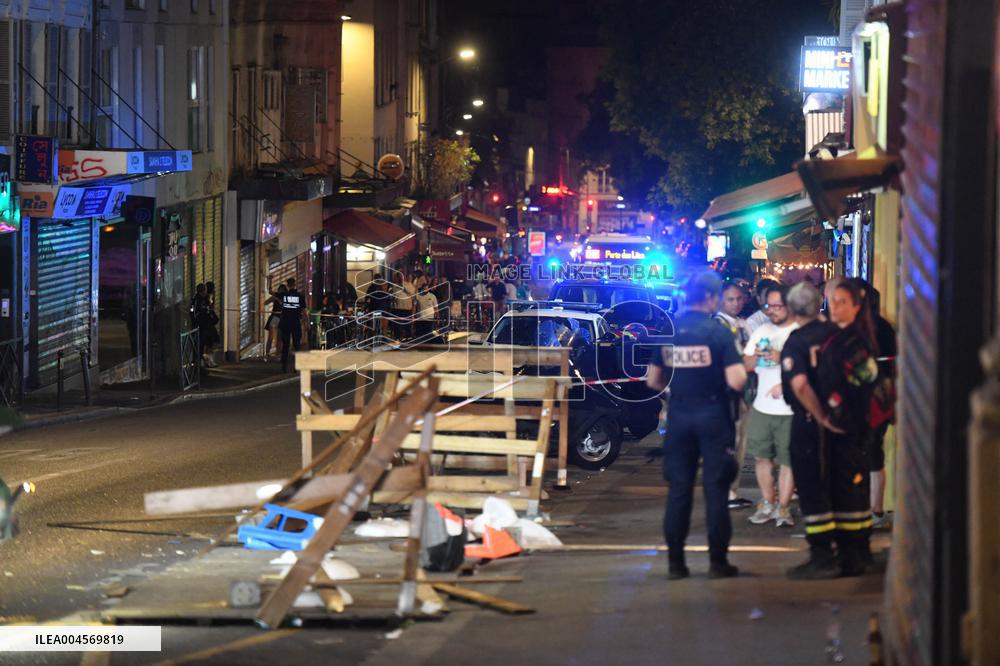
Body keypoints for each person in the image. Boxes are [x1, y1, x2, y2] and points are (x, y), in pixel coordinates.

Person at [647, 271, 748, 580]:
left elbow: (652, 380)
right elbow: (736, 379)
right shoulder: (718, 333)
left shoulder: (671, 331)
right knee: (716, 490)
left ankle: (676, 564)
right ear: (710, 298)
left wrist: (674, 393)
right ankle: (718, 563)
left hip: (680, 418)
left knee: (679, 490)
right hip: (714, 416)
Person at [816, 279, 879, 574]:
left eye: (843, 302)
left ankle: (855, 554)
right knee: (840, 490)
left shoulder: (856, 342)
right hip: (835, 428)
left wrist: (838, 410)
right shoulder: (835, 337)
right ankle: (847, 550)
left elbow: (863, 385)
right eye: (833, 301)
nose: (836, 307)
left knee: (852, 491)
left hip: (851, 428)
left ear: (857, 306)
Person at [743, 284, 798, 527]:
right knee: (761, 457)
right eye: (769, 306)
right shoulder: (762, 329)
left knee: (788, 461)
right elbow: (746, 364)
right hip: (762, 406)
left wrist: (782, 357)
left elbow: (812, 367)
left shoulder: (799, 332)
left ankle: (783, 507)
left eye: (778, 306)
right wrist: (754, 357)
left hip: (791, 409)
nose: (772, 311)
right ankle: (768, 502)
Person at [860, 283, 897, 528]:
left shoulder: (858, 328)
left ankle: (865, 508)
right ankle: (875, 509)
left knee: (864, 453)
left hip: (866, 398)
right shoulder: (886, 326)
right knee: (875, 455)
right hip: (883, 395)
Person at [714, 282, 752, 510]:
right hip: (727, 395)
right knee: (732, 444)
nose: (736, 303)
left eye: (739, 299)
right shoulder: (719, 326)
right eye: (731, 299)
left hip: (737, 394)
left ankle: (730, 491)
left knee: (738, 445)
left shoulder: (737, 324)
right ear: (720, 300)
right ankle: (726, 493)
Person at [278, 278, 305, 373]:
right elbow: (303, 311)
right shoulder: (300, 296)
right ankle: (296, 367)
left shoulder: (284, 295)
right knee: (296, 345)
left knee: (285, 345)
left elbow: (271, 292)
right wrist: (306, 323)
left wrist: (270, 281)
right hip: (295, 323)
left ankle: (284, 366)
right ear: (294, 284)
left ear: (288, 285)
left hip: (286, 322)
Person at [264, 283, 287, 360]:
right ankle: (268, 353)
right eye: (280, 289)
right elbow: (269, 295)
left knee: (279, 337)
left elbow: (266, 301)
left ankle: (277, 354)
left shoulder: (285, 297)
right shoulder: (276, 296)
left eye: (282, 290)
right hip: (276, 317)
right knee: (272, 337)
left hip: (280, 317)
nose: (280, 291)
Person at [392, 273, 416, 340]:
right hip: (398, 308)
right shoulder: (395, 286)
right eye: (399, 277)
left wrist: (403, 285)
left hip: (407, 308)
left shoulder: (411, 286)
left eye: (401, 277)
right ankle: (398, 337)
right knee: (398, 324)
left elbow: (411, 293)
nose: (400, 278)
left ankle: (408, 337)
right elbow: (394, 294)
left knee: (407, 324)